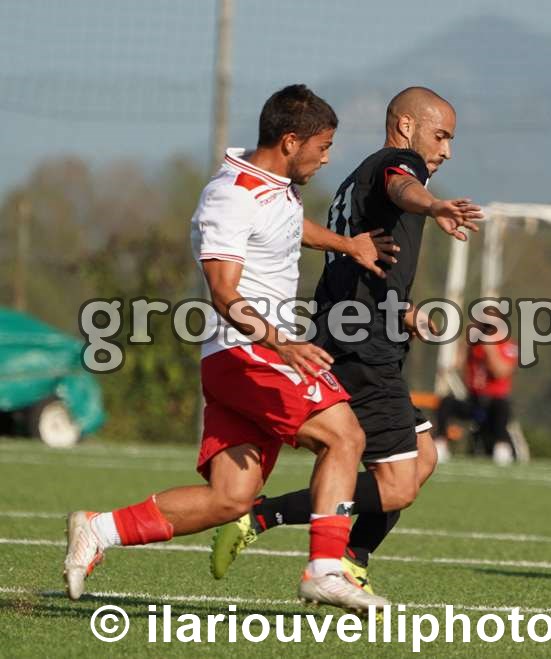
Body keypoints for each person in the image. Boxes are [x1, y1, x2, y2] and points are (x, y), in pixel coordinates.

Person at [63, 84, 400, 612]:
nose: (326, 158)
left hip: (248, 356)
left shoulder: (274, 187)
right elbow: (223, 292)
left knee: (230, 498)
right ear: (291, 141)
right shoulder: (231, 195)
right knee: (344, 436)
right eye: (323, 147)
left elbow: (288, 228)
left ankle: (99, 529)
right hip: (248, 353)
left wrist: (346, 245)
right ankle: (326, 569)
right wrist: (282, 343)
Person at [210, 87, 484, 597]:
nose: (446, 151)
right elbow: (404, 185)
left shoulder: (361, 176)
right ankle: (270, 521)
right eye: (441, 135)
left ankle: (350, 556)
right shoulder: (398, 164)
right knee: (398, 483)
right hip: (363, 348)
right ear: (406, 126)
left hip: (358, 335)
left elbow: (356, 261)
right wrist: (433, 205)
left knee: (422, 459)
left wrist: (399, 307)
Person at [434, 307, 518, 460]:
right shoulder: (473, 345)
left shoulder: (507, 345)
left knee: (502, 407)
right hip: (474, 399)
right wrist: (465, 342)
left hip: (494, 401)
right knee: (446, 403)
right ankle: (440, 443)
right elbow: (456, 365)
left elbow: (501, 372)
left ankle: (501, 447)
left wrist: (491, 349)